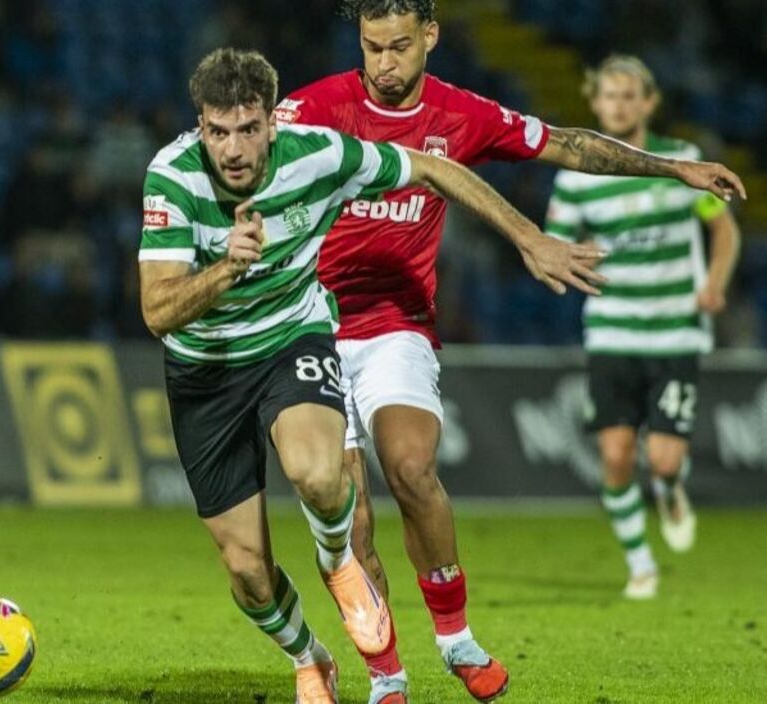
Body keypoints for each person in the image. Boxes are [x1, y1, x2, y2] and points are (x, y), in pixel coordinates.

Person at [274, 0, 746, 700]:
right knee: (349, 515)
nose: (384, 64)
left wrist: (673, 168)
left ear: (430, 36)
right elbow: (237, 157)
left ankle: (456, 638)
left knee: (412, 469)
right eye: (371, 48)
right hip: (309, 327)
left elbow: (567, 143)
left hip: (397, 322)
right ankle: (386, 676)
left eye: (399, 46)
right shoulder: (313, 108)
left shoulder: (461, 115)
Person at [139, 47, 602, 704]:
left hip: (290, 338)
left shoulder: (320, 155)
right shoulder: (173, 177)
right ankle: (310, 657)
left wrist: (528, 236)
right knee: (247, 572)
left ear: (273, 122)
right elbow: (157, 311)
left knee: (319, 475)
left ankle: (338, 562)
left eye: (248, 129)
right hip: (205, 371)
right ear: (200, 126)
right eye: (218, 131)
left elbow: (433, 167)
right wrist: (227, 269)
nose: (234, 148)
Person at [545, 55, 741, 600]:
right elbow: (555, 242)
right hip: (612, 332)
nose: (619, 105)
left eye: (629, 95)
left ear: (649, 102)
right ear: (595, 103)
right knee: (614, 457)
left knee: (663, 460)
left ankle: (671, 487)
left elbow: (723, 231)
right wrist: (572, 256)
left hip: (676, 331)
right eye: (609, 96)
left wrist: (715, 283)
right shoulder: (576, 177)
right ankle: (640, 565)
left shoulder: (684, 163)